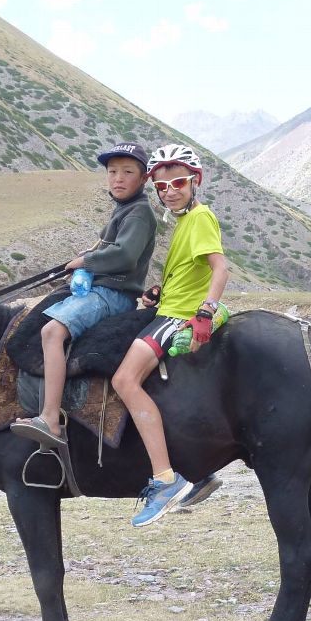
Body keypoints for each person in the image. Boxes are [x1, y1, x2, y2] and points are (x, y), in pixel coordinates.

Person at [111, 144, 229, 527]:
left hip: (178, 316)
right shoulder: (185, 222)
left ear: (195, 181)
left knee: (125, 380)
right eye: (161, 186)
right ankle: (198, 470)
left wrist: (205, 311)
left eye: (178, 182)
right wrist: (159, 291)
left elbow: (219, 268)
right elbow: (189, 271)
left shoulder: (200, 218)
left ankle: (164, 479)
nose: (169, 191)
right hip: (169, 305)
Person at [10, 142, 156, 448]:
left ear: (143, 179)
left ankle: (49, 419)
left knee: (51, 332)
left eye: (128, 172)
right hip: (100, 289)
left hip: (112, 295)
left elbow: (126, 256)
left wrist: (85, 262)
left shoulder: (140, 213)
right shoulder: (124, 210)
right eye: (112, 171)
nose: (118, 178)